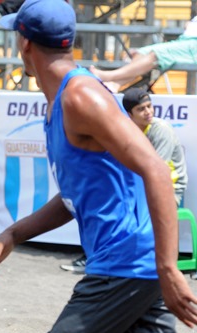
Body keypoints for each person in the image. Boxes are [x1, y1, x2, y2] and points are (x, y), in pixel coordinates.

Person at [0, 1, 197, 333]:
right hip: (131, 260)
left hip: (126, 262)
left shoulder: (81, 96)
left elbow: (157, 170)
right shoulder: (60, 100)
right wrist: (14, 234)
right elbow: (74, 196)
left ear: (25, 44)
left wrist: (168, 267)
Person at [61, 87, 189, 273]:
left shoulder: (161, 130)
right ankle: (97, 257)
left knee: (120, 208)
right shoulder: (126, 130)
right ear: (129, 114)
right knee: (102, 202)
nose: (148, 112)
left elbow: (156, 174)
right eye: (141, 109)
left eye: (149, 106)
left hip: (169, 190)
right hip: (139, 188)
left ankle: (106, 261)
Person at [90, 0, 197, 91]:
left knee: (154, 55)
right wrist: (193, 23)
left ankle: (108, 76)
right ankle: (115, 84)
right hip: (188, 41)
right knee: (137, 54)